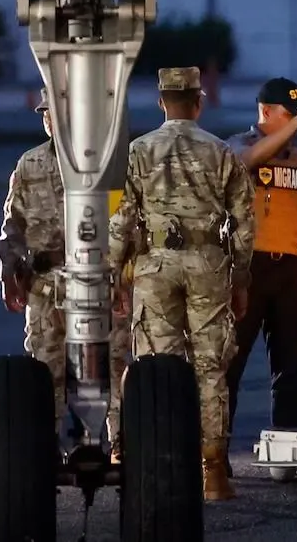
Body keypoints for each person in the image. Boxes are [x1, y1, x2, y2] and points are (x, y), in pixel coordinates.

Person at [108, 67, 256, 501]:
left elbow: (121, 219)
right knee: (211, 367)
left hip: (155, 266)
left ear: (160, 102)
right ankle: (213, 472)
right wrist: (241, 277)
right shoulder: (221, 152)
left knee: (158, 367)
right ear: (199, 100)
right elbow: (245, 221)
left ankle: (165, 462)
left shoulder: (137, 151)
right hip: (208, 262)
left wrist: (116, 274)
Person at [0, 88, 129, 463]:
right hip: (46, 285)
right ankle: (45, 444)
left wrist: (122, 277)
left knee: (113, 364)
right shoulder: (30, 165)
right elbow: (12, 226)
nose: (51, 120)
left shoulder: (106, 164)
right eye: (46, 114)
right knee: (44, 367)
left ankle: (120, 441)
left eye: (59, 113)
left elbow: (127, 222)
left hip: (97, 279)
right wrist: (9, 269)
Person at [223, 78, 297, 477]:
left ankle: (288, 450)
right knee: (228, 367)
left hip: (286, 271)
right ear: (265, 111)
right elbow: (248, 163)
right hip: (246, 269)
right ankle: (215, 456)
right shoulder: (237, 145)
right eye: (289, 114)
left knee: (290, 368)